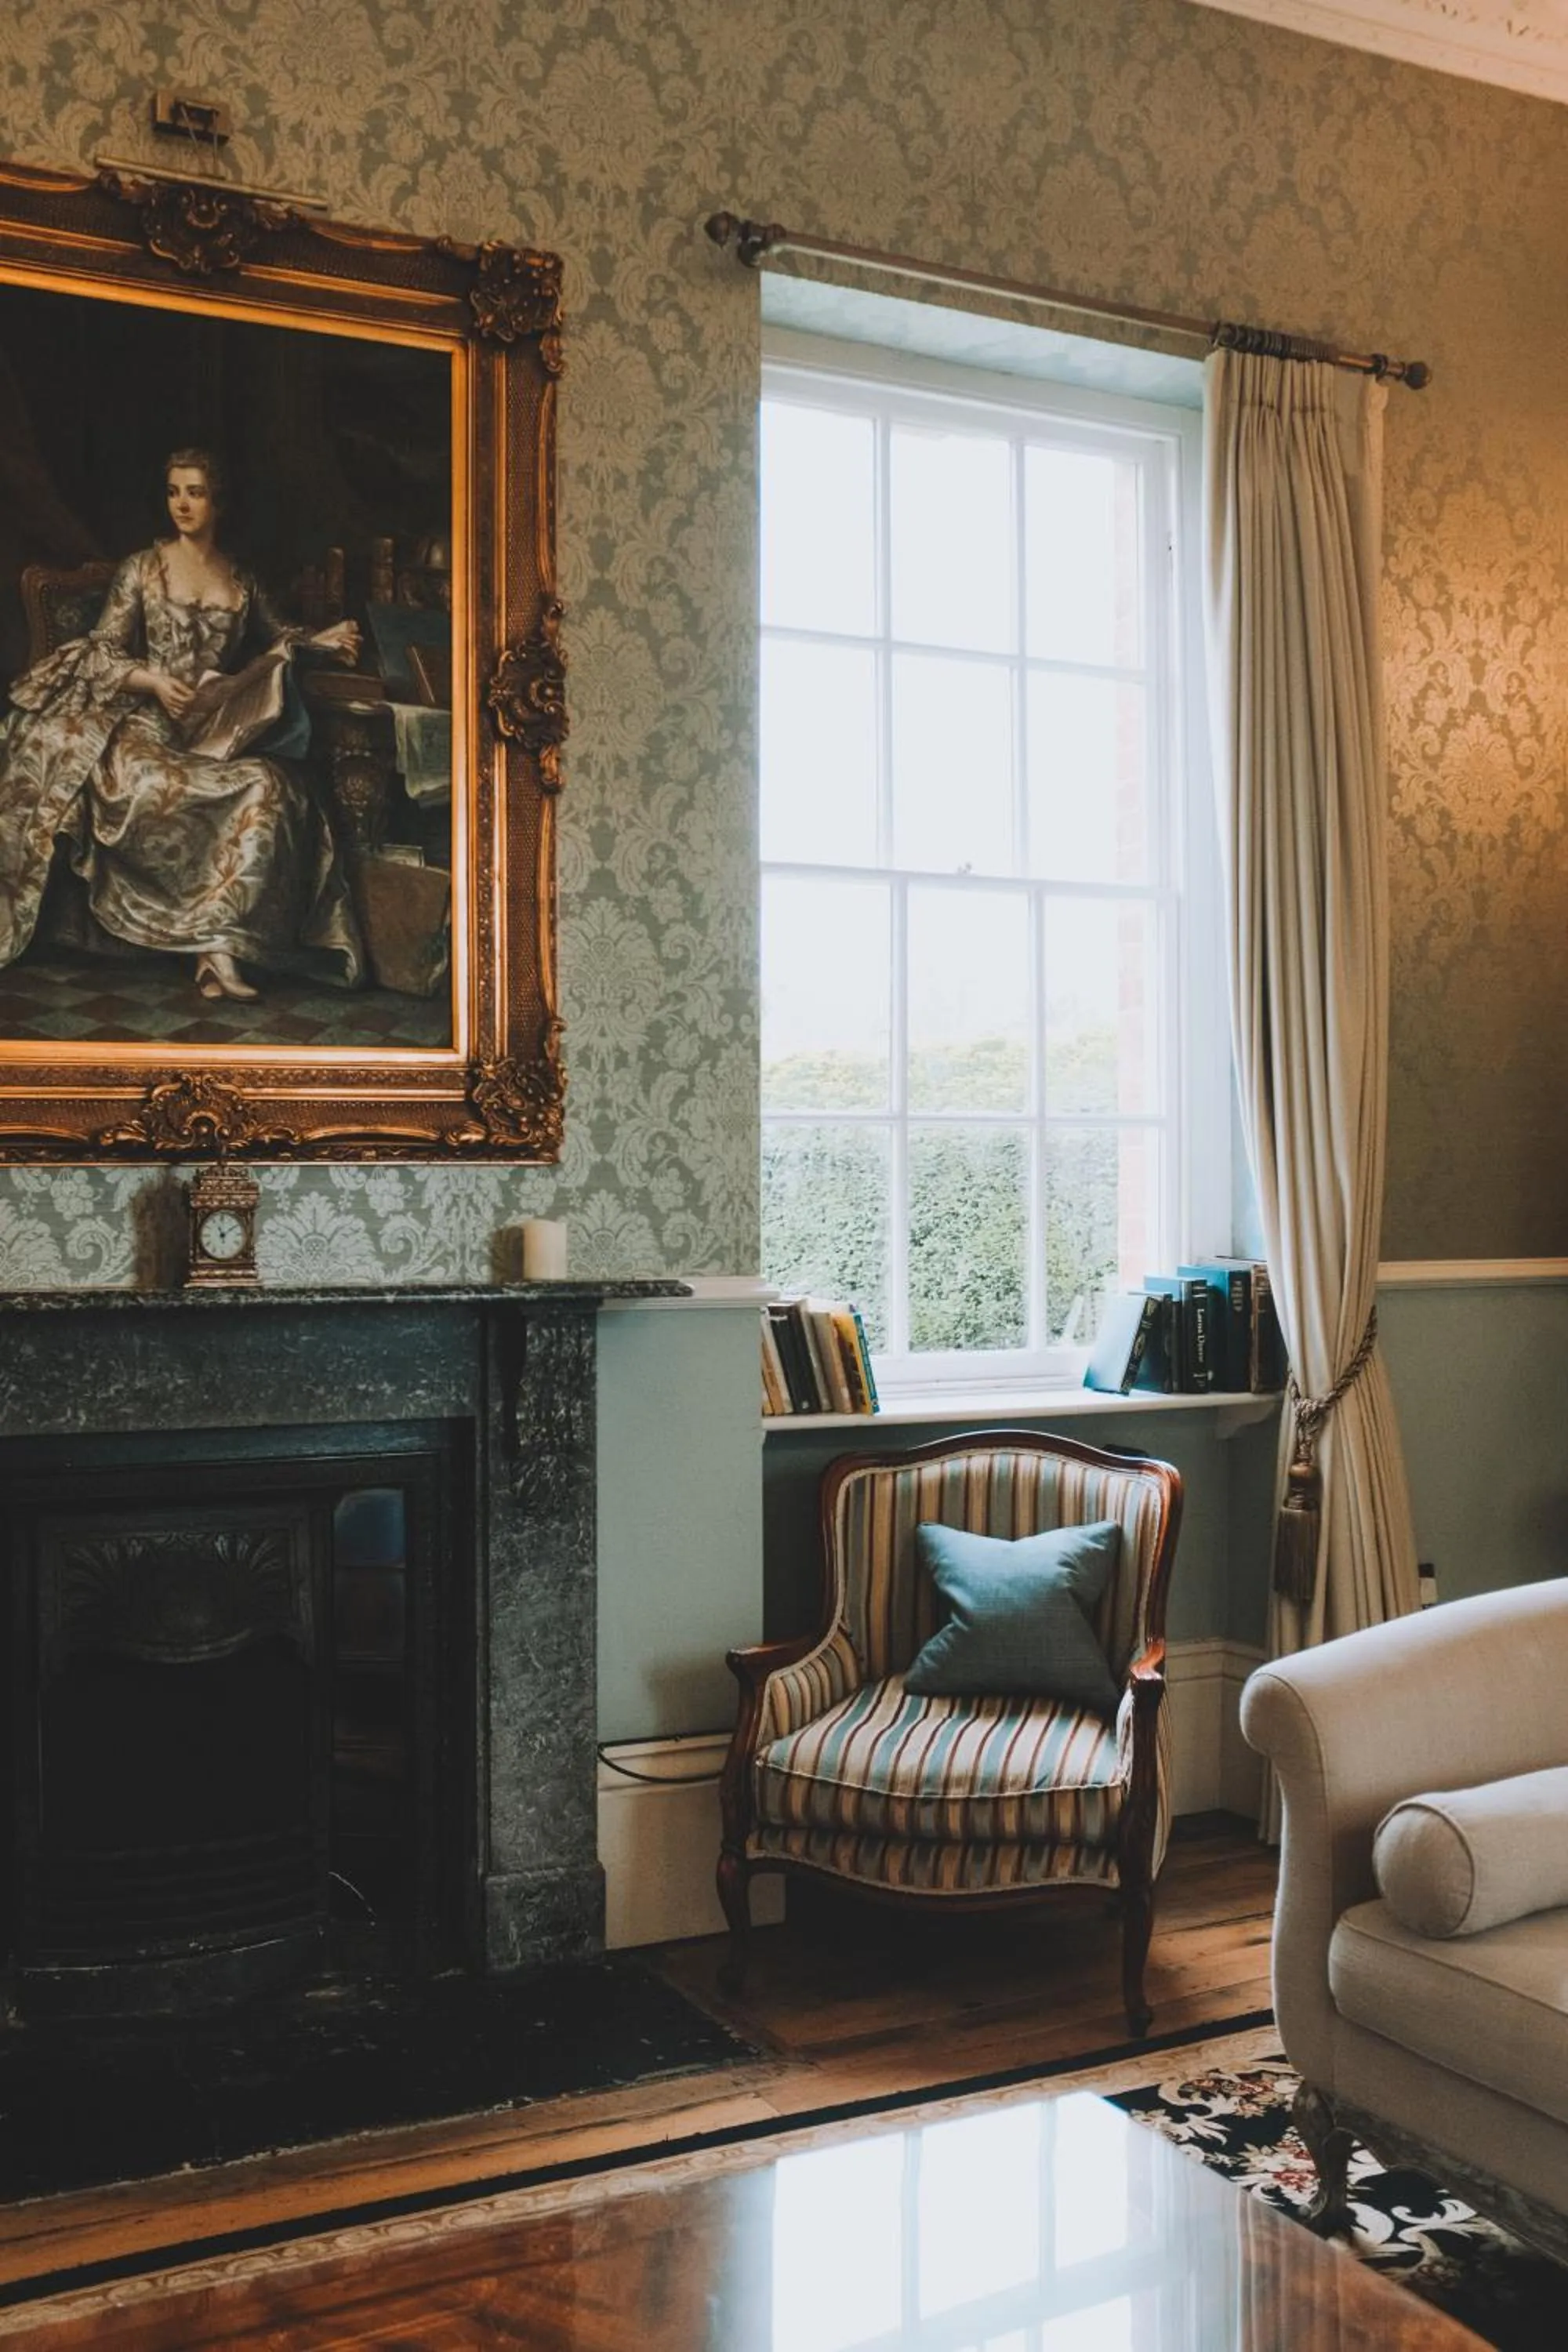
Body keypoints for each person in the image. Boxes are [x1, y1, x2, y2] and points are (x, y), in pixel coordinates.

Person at [0, 448, 365, 1000]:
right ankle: (210, 953)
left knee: (270, 787)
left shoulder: (242, 580)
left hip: (213, 730)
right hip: (144, 726)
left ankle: (218, 946)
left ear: (218, 502)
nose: (182, 504)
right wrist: (153, 682)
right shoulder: (142, 569)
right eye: (174, 492)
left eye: (195, 493)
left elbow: (282, 636)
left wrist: (324, 640)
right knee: (154, 783)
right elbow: (101, 650)